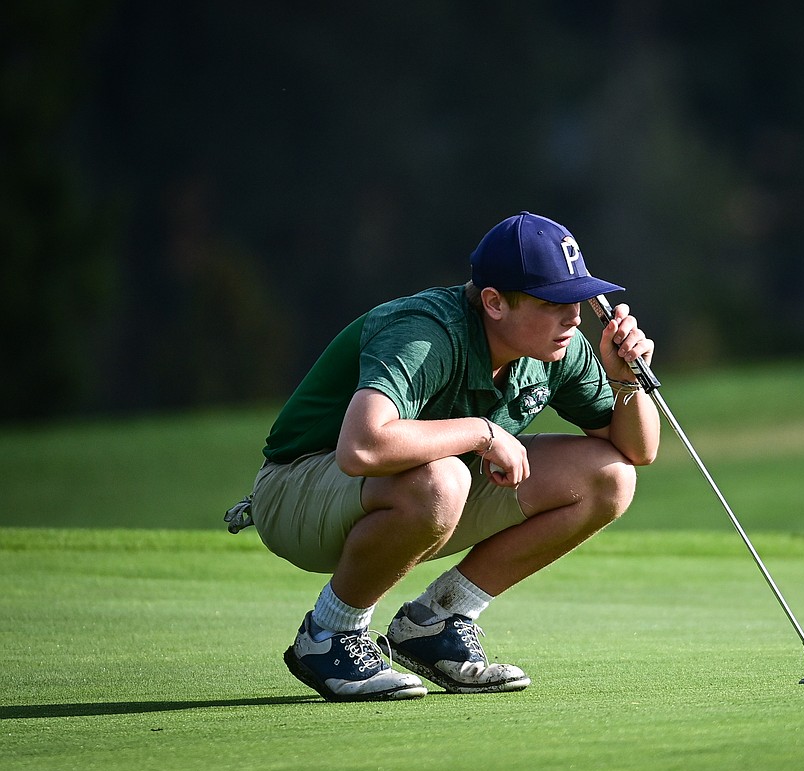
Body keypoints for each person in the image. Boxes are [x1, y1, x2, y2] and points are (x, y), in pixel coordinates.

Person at [224, 211, 660, 702]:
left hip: (406, 491)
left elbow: (637, 451)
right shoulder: (424, 331)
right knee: (442, 479)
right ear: (494, 303)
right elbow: (361, 446)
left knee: (609, 477)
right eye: (552, 301)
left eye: (577, 299)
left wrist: (626, 378)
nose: (573, 317)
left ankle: (436, 623)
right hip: (296, 493)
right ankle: (330, 636)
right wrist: (482, 432)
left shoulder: (560, 347)